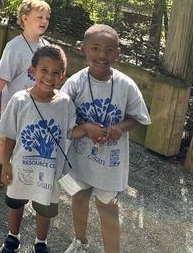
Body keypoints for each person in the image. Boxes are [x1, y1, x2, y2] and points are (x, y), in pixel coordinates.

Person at [62, 24, 151, 253]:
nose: (102, 55)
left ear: (118, 52)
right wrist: (85, 127)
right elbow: (62, 117)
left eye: (109, 49)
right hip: (79, 159)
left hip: (110, 163)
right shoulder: (74, 83)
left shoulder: (126, 85)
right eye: (95, 48)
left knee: (107, 208)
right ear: (83, 49)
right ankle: (80, 242)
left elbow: (139, 118)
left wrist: (120, 127)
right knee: (79, 197)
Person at [0, 45, 79, 253]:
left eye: (55, 73)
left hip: (50, 171)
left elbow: (70, 131)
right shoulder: (20, 100)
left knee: (45, 209)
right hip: (21, 166)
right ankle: (12, 237)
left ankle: (41, 242)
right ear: (32, 72)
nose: (49, 77)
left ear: (63, 76)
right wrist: (5, 163)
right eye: (44, 70)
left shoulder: (65, 103)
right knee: (16, 203)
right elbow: (9, 134)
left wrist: (90, 131)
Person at [0, 0, 51, 187]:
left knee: (26, 135)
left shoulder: (45, 46)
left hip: (35, 103)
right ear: (25, 19)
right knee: (6, 136)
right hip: (14, 103)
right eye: (39, 16)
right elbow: (3, 75)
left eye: (47, 17)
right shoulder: (14, 47)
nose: (44, 20)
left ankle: (16, 165)